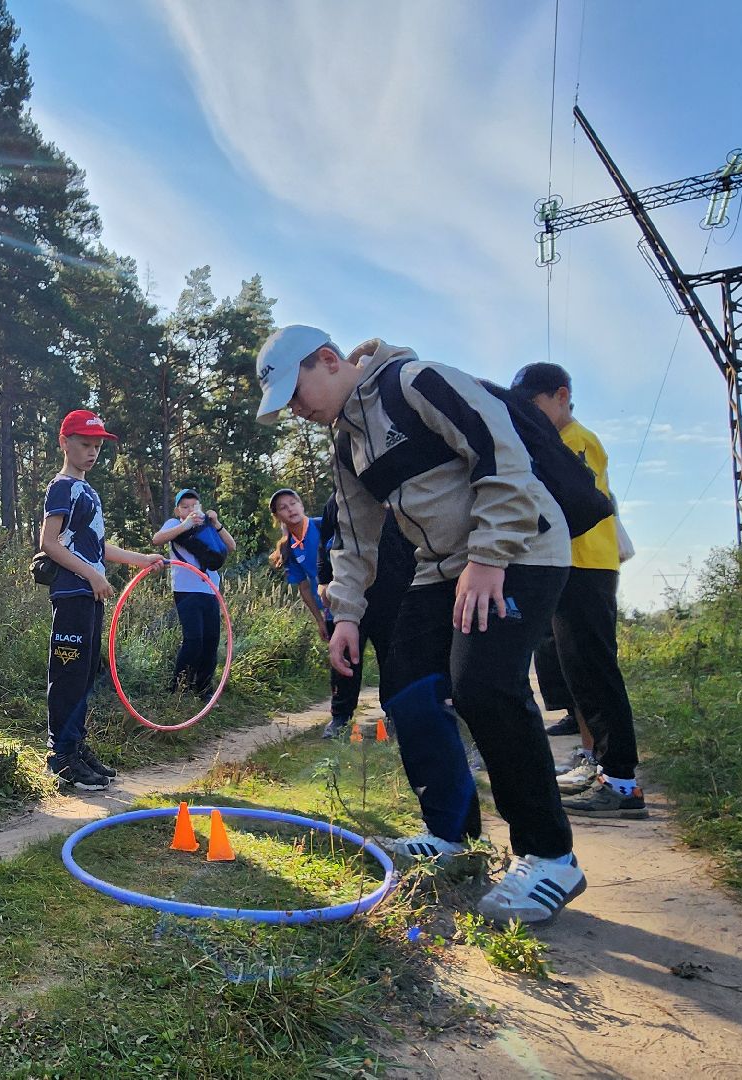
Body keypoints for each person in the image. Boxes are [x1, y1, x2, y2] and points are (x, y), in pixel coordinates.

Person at [256, 324, 586, 926]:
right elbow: (355, 541)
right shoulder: (347, 442)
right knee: (407, 692)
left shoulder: (418, 382)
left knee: (483, 683)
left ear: (328, 360)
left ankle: (549, 855)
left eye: (296, 395)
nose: (297, 411)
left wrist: (488, 558)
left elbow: (501, 448)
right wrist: (347, 617)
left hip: (519, 549)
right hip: (441, 569)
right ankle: (452, 836)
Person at [510, 362, 646, 818]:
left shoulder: (576, 442)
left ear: (562, 395)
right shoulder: (557, 438)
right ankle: (597, 763)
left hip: (587, 563)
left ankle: (622, 783)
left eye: (534, 405)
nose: (529, 415)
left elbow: (572, 501)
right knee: (578, 674)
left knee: (596, 670)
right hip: (569, 564)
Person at [40, 410, 166, 790]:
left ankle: (75, 747)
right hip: (73, 593)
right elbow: (48, 543)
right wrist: (92, 575)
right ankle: (60, 755)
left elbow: (96, 546)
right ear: (64, 443)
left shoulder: (88, 491)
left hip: (90, 594)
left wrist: (140, 559)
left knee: (86, 673)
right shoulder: (61, 487)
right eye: (84, 444)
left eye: (97, 446)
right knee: (68, 673)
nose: (92, 452)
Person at [271, 488, 415, 739]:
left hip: (392, 593)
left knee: (392, 657)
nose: (291, 509)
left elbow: (413, 539)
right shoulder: (336, 502)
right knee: (346, 657)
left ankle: (396, 714)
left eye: (293, 503)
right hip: (350, 596)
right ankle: (340, 717)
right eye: (284, 506)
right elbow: (327, 545)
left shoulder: (395, 492)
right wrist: (325, 580)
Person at [151, 488, 235, 695]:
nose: (190, 509)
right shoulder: (175, 524)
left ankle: (204, 688)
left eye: (194, 505)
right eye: (185, 506)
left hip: (210, 590)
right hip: (186, 590)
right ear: (178, 509)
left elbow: (231, 546)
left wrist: (216, 523)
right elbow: (157, 539)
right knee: (194, 639)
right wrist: (186, 524)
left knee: (211, 639)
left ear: (200, 507)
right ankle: (178, 686)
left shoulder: (208, 525)